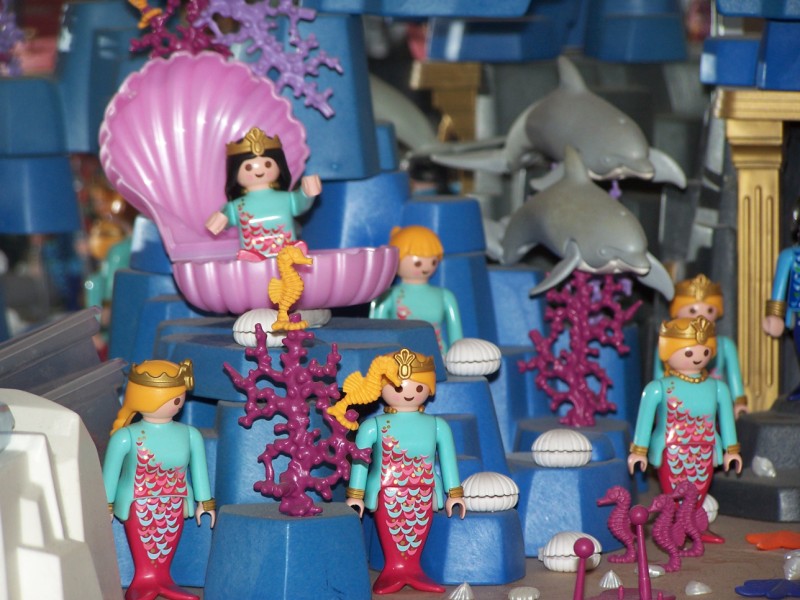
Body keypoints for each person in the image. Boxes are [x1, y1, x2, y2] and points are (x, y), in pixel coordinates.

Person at [329, 348, 466, 594]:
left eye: (418, 387)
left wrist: (454, 493)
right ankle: (393, 570)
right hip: (386, 492)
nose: (408, 393)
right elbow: (361, 459)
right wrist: (356, 495)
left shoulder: (437, 426)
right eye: (398, 387)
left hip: (424, 492)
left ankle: (413, 569)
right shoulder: (372, 426)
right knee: (394, 531)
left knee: (416, 531)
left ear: (429, 388)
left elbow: (447, 461)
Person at [102, 359, 215, 600]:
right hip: (138, 503)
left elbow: (199, 469)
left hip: (175, 502)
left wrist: (205, 503)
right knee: (146, 543)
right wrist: (106, 505)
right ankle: (143, 581)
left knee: (166, 540)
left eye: (179, 397)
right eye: (174, 397)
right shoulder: (126, 436)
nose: (179, 401)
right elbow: (110, 473)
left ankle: (163, 579)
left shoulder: (189, 434)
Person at [630, 316, 742, 543]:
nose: (698, 357)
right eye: (689, 352)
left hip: (705, 449)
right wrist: (638, 451)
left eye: (705, 351)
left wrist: (732, 450)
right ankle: (675, 530)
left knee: (699, 492)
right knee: (674, 494)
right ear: (667, 351)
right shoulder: (658, 387)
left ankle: (695, 528)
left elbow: (727, 420)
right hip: (671, 450)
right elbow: (645, 420)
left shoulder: (717, 387)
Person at [205, 126, 322, 260]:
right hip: (253, 259)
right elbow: (225, 219)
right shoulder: (237, 206)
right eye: (248, 167)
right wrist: (221, 219)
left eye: (268, 164)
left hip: (287, 256)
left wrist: (306, 193)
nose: (259, 171)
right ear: (235, 172)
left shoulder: (286, 198)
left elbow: (299, 204)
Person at [653, 274, 747, 416]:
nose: (702, 317)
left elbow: (735, 377)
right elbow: (659, 377)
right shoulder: (667, 343)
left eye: (710, 310)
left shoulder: (724, 345)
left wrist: (739, 402)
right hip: (678, 404)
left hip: (713, 403)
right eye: (692, 310)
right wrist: (660, 406)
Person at [370, 225, 463, 352]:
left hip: (437, 354)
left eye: (433, 262)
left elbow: (456, 335)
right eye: (418, 263)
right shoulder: (389, 295)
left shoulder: (445, 296)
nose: (426, 268)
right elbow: (375, 331)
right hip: (399, 356)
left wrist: (458, 354)